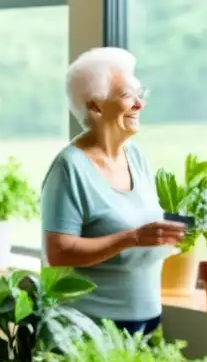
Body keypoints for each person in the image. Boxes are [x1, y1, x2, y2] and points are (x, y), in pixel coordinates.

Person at [41, 47, 186, 335]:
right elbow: (58, 252)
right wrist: (131, 238)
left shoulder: (138, 158)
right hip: (89, 329)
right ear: (94, 106)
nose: (139, 105)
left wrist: (168, 233)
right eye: (127, 96)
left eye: (140, 94)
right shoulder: (68, 168)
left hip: (147, 322)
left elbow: (141, 226)